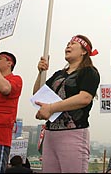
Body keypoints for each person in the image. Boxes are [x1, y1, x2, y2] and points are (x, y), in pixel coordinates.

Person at [33, 35, 100, 173]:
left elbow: (84, 98)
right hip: (50, 134)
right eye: (67, 43)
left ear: (84, 51)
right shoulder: (59, 74)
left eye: (73, 43)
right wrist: (40, 73)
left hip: (73, 133)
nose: (68, 46)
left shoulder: (89, 72)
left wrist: (51, 108)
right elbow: (38, 95)